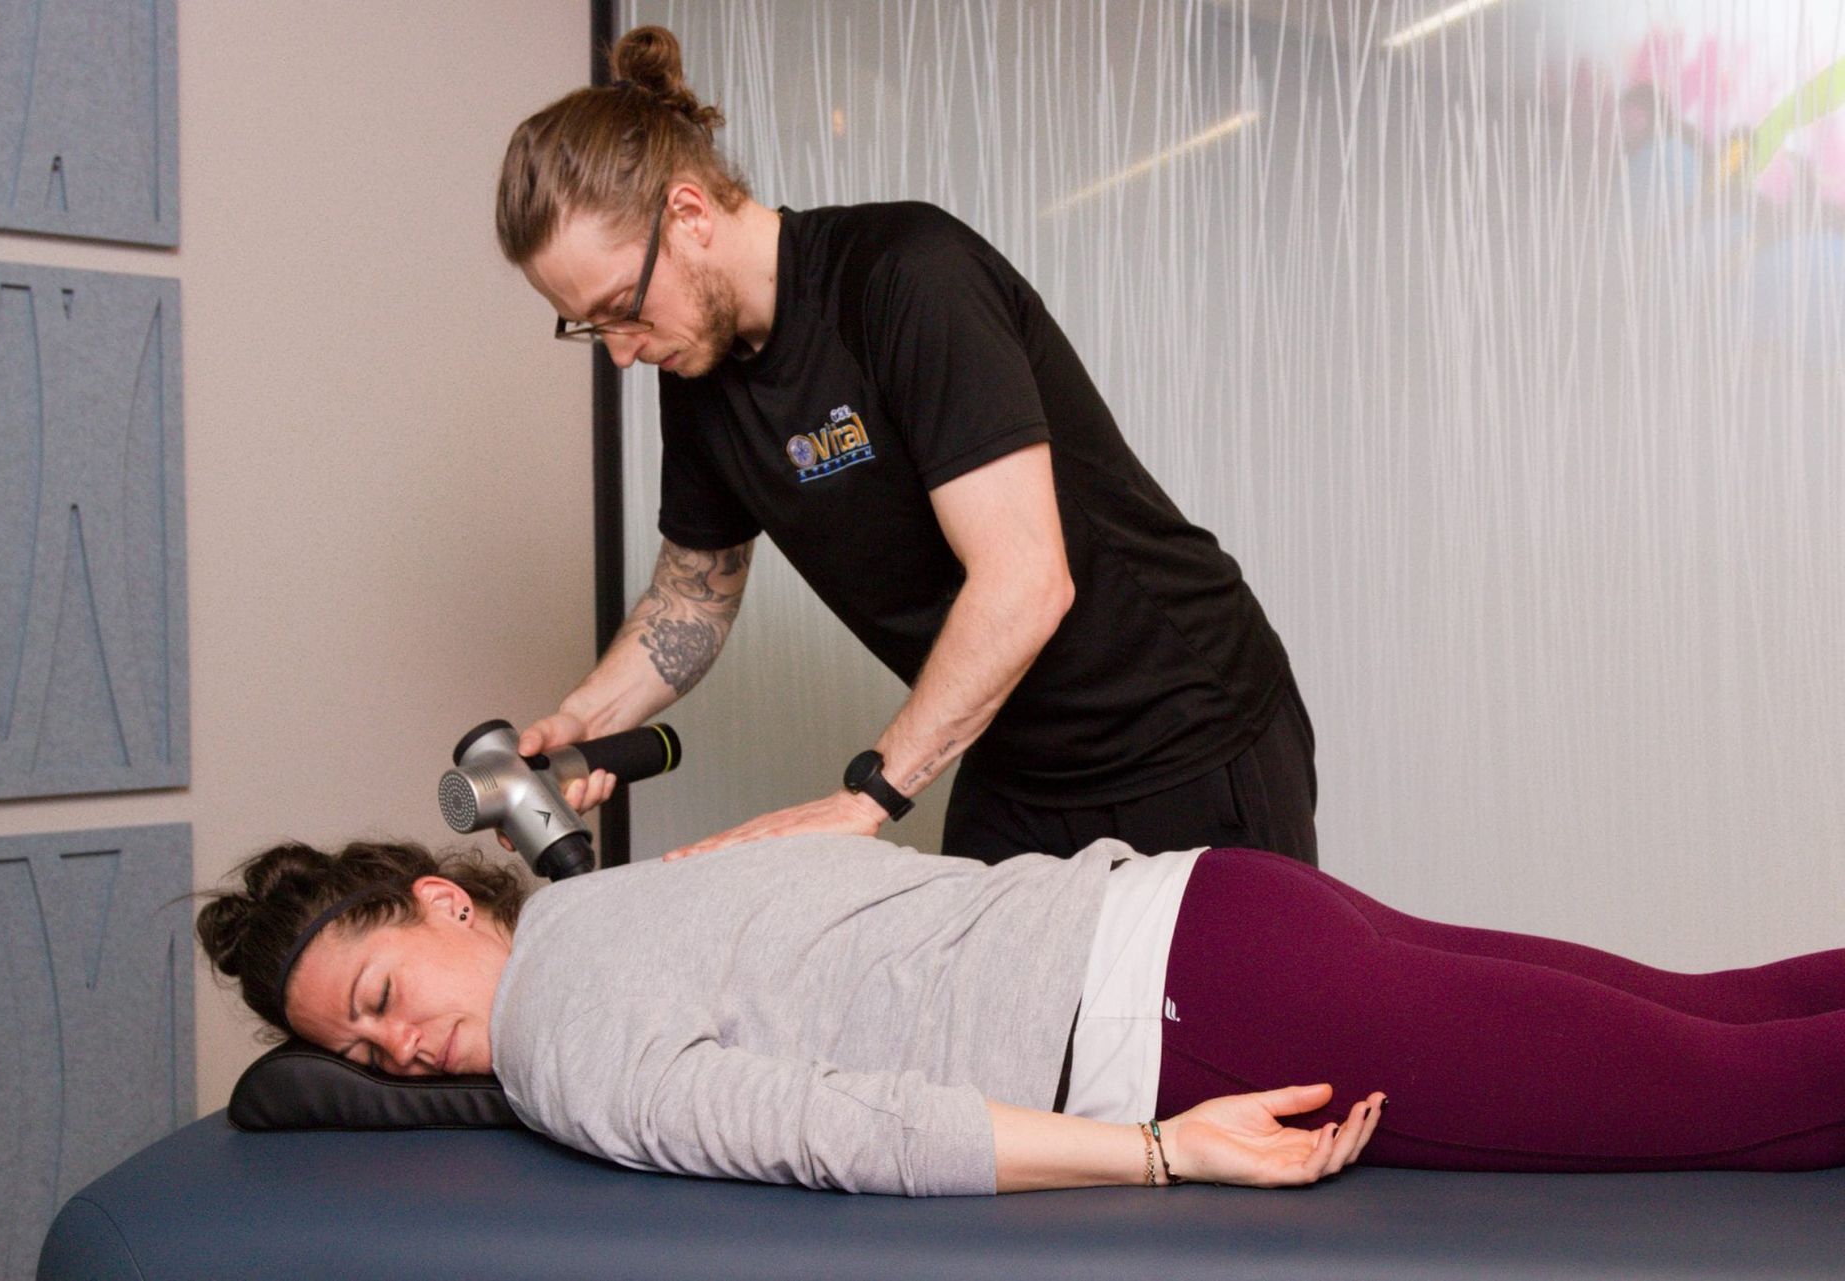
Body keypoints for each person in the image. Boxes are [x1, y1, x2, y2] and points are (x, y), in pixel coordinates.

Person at [494, 25, 1317, 865]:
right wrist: (585, 721)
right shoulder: (696, 370)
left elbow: (1027, 580)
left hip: (1189, 732)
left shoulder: (905, 279)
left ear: (690, 214)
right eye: (590, 328)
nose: (624, 351)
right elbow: (692, 599)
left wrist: (866, 798)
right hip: (1014, 758)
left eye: (621, 308)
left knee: (1223, 1000)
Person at [197, 834, 1845, 1196]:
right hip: (1223, 903)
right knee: (1714, 1017)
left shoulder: (566, 1045)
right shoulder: (605, 896)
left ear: (441, 905)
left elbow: (835, 1127)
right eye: (361, 1049)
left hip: (1194, 1006)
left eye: (386, 998)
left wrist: (1159, 1147)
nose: (399, 1050)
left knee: (1727, 1096)